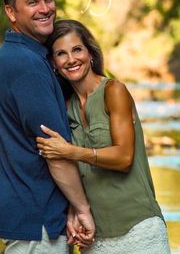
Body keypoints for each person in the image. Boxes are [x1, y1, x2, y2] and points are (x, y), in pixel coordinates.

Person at [36, 19, 171, 254]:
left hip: (139, 227)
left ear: (90, 53)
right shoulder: (64, 108)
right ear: (54, 63)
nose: (71, 59)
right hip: (95, 236)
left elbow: (124, 157)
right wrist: (74, 212)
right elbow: (72, 171)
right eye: (61, 53)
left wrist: (71, 151)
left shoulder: (114, 91)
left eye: (77, 49)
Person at [0, 0, 95, 254]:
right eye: (33, 2)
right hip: (37, 223)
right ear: (11, 11)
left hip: (33, 218)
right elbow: (56, 151)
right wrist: (82, 207)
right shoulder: (26, 64)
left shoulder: (27, 55)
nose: (45, 8)